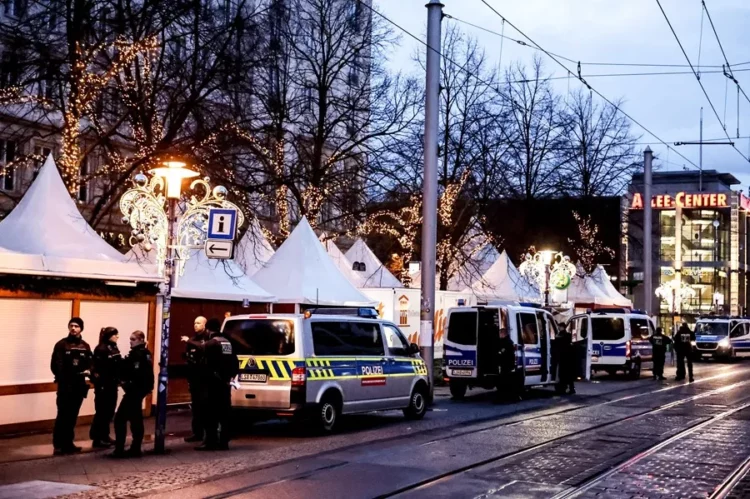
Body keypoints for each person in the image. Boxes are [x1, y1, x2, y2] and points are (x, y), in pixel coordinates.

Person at [50, 317, 92, 455]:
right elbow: (56, 364)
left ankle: (69, 443)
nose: (73, 328)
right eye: (71, 326)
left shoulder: (85, 346)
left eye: (76, 326)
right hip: (65, 385)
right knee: (62, 414)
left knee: (73, 416)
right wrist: (64, 376)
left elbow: (91, 362)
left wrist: (89, 371)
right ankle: (58, 444)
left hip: (79, 385)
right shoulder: (61, 344)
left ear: (81, 328)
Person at [197, 318, 238, 451]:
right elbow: (235, 363)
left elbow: (203, 362)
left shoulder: (211, 343)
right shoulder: (228, 343)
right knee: (224, 413)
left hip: (212, 384)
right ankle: (224, 441)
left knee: (210, 414)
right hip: (225, 383)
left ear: (208, 329)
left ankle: (210, 442)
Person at [112, 331, 154, 458]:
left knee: (120, 419)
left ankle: (120, 449)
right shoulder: (143, 353)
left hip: (134, 392)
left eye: (133, 339)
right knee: (135, 419)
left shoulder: (139, 355)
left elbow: (136, 373)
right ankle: (135, 447)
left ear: (141, 339)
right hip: (137, 391)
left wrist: (126, 382)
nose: (131, 341)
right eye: (130, 339)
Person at [90, 327, 122, 448]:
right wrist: (100, 382)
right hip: (104, 385)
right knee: (102, 411)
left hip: (112, 384)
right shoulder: (101, 349)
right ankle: (98, 437)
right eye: (115, 334)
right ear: (109, 336)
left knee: (109, 411)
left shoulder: (113, 347)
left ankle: (104, 435)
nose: (117, 336)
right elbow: (97, 368)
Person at [181, 316, 208, 443]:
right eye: (194, 322)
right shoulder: (192, 339)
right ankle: (197, 432)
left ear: (204, 325)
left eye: (198, 323)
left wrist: (189, 342)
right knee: (196, 407)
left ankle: (206, 433)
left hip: (204, 379)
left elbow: (203, 348)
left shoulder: (207, 338)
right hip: (194, 378)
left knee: (204, 407)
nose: (195, 325)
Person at [497, 328, 519, 402]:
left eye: (500, 333)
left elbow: (503, 353)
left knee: (506, 382)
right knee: (506, 382)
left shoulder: (507, 342)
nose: (499, 335)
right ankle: (508, 397)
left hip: (507, 365)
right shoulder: (507, 341)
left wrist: (499, 354)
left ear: (504, 334)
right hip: (507, 365)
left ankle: (507, 398)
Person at [555, 323, 576, 395]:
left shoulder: (565, 335)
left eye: (560, 327)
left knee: (566, 374)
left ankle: (570, 388)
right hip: (563, 358)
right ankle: (564, 388)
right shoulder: (561, 335)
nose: (559, 328)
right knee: (563, 374)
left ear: (563, 327)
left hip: (566, 358)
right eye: (559, 327)